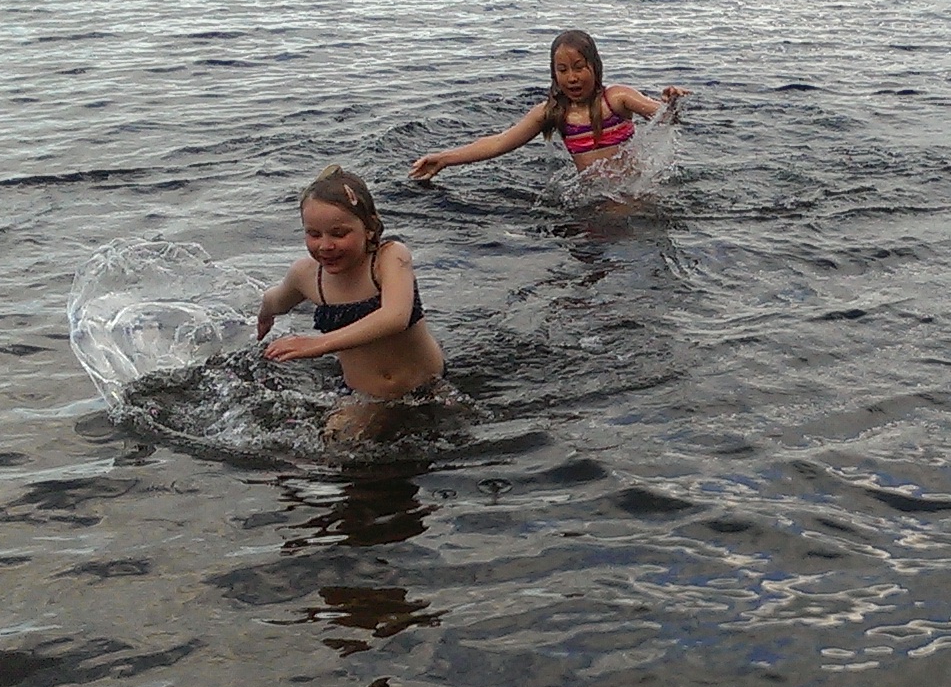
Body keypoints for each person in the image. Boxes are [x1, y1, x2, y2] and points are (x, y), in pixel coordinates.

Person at [257, 166, 446, 442]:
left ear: (369, 228)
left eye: (339, 233)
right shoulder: (308, 276)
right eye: (314, 234)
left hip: (428, 388)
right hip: (365, 397)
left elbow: (395, 316)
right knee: (334, 446)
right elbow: (275, 300)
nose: (325, 245)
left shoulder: (389, 258)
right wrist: (265, 316)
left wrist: (317, 344)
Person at [409, 29, 686, 181]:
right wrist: (444, 159)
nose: (572, 77)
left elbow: (664, 117)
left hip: (635, 194)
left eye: (579, 67)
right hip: (593, 200)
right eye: (563, 70)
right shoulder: (554, 112)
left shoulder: (616, 98)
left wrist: (671, 103)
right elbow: (499, 143)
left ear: (595, 66)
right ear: (554, 74)